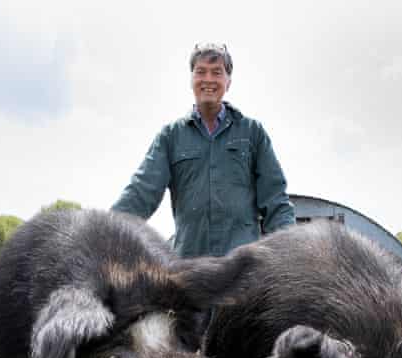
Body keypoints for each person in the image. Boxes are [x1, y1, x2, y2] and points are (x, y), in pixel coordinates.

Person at [111, 43, 295, 258]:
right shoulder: (171, 137)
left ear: (228, 82)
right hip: (189, 268)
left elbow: (276, 201)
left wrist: (293, 252)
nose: (208, 79)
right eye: (201, 72)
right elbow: (141, 192)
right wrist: (106, 231)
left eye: (217, 72)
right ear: (191, 79)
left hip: (242, 268)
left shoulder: (252, 133)